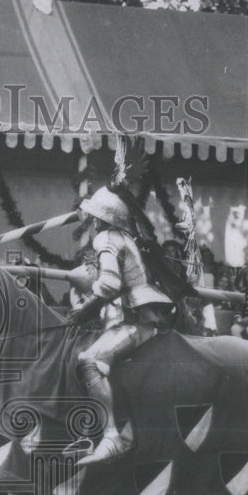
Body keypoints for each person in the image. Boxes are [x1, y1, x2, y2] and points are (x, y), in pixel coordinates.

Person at [69, 186, 177, 466]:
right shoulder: (125, 238)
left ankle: (111, 436)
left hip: (134, 321)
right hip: (133, 316)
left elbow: (109, 284)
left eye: (92, 215)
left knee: (90, 360)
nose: (89, 221)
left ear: (99, 218)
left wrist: (83, 309)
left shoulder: (107, 238)